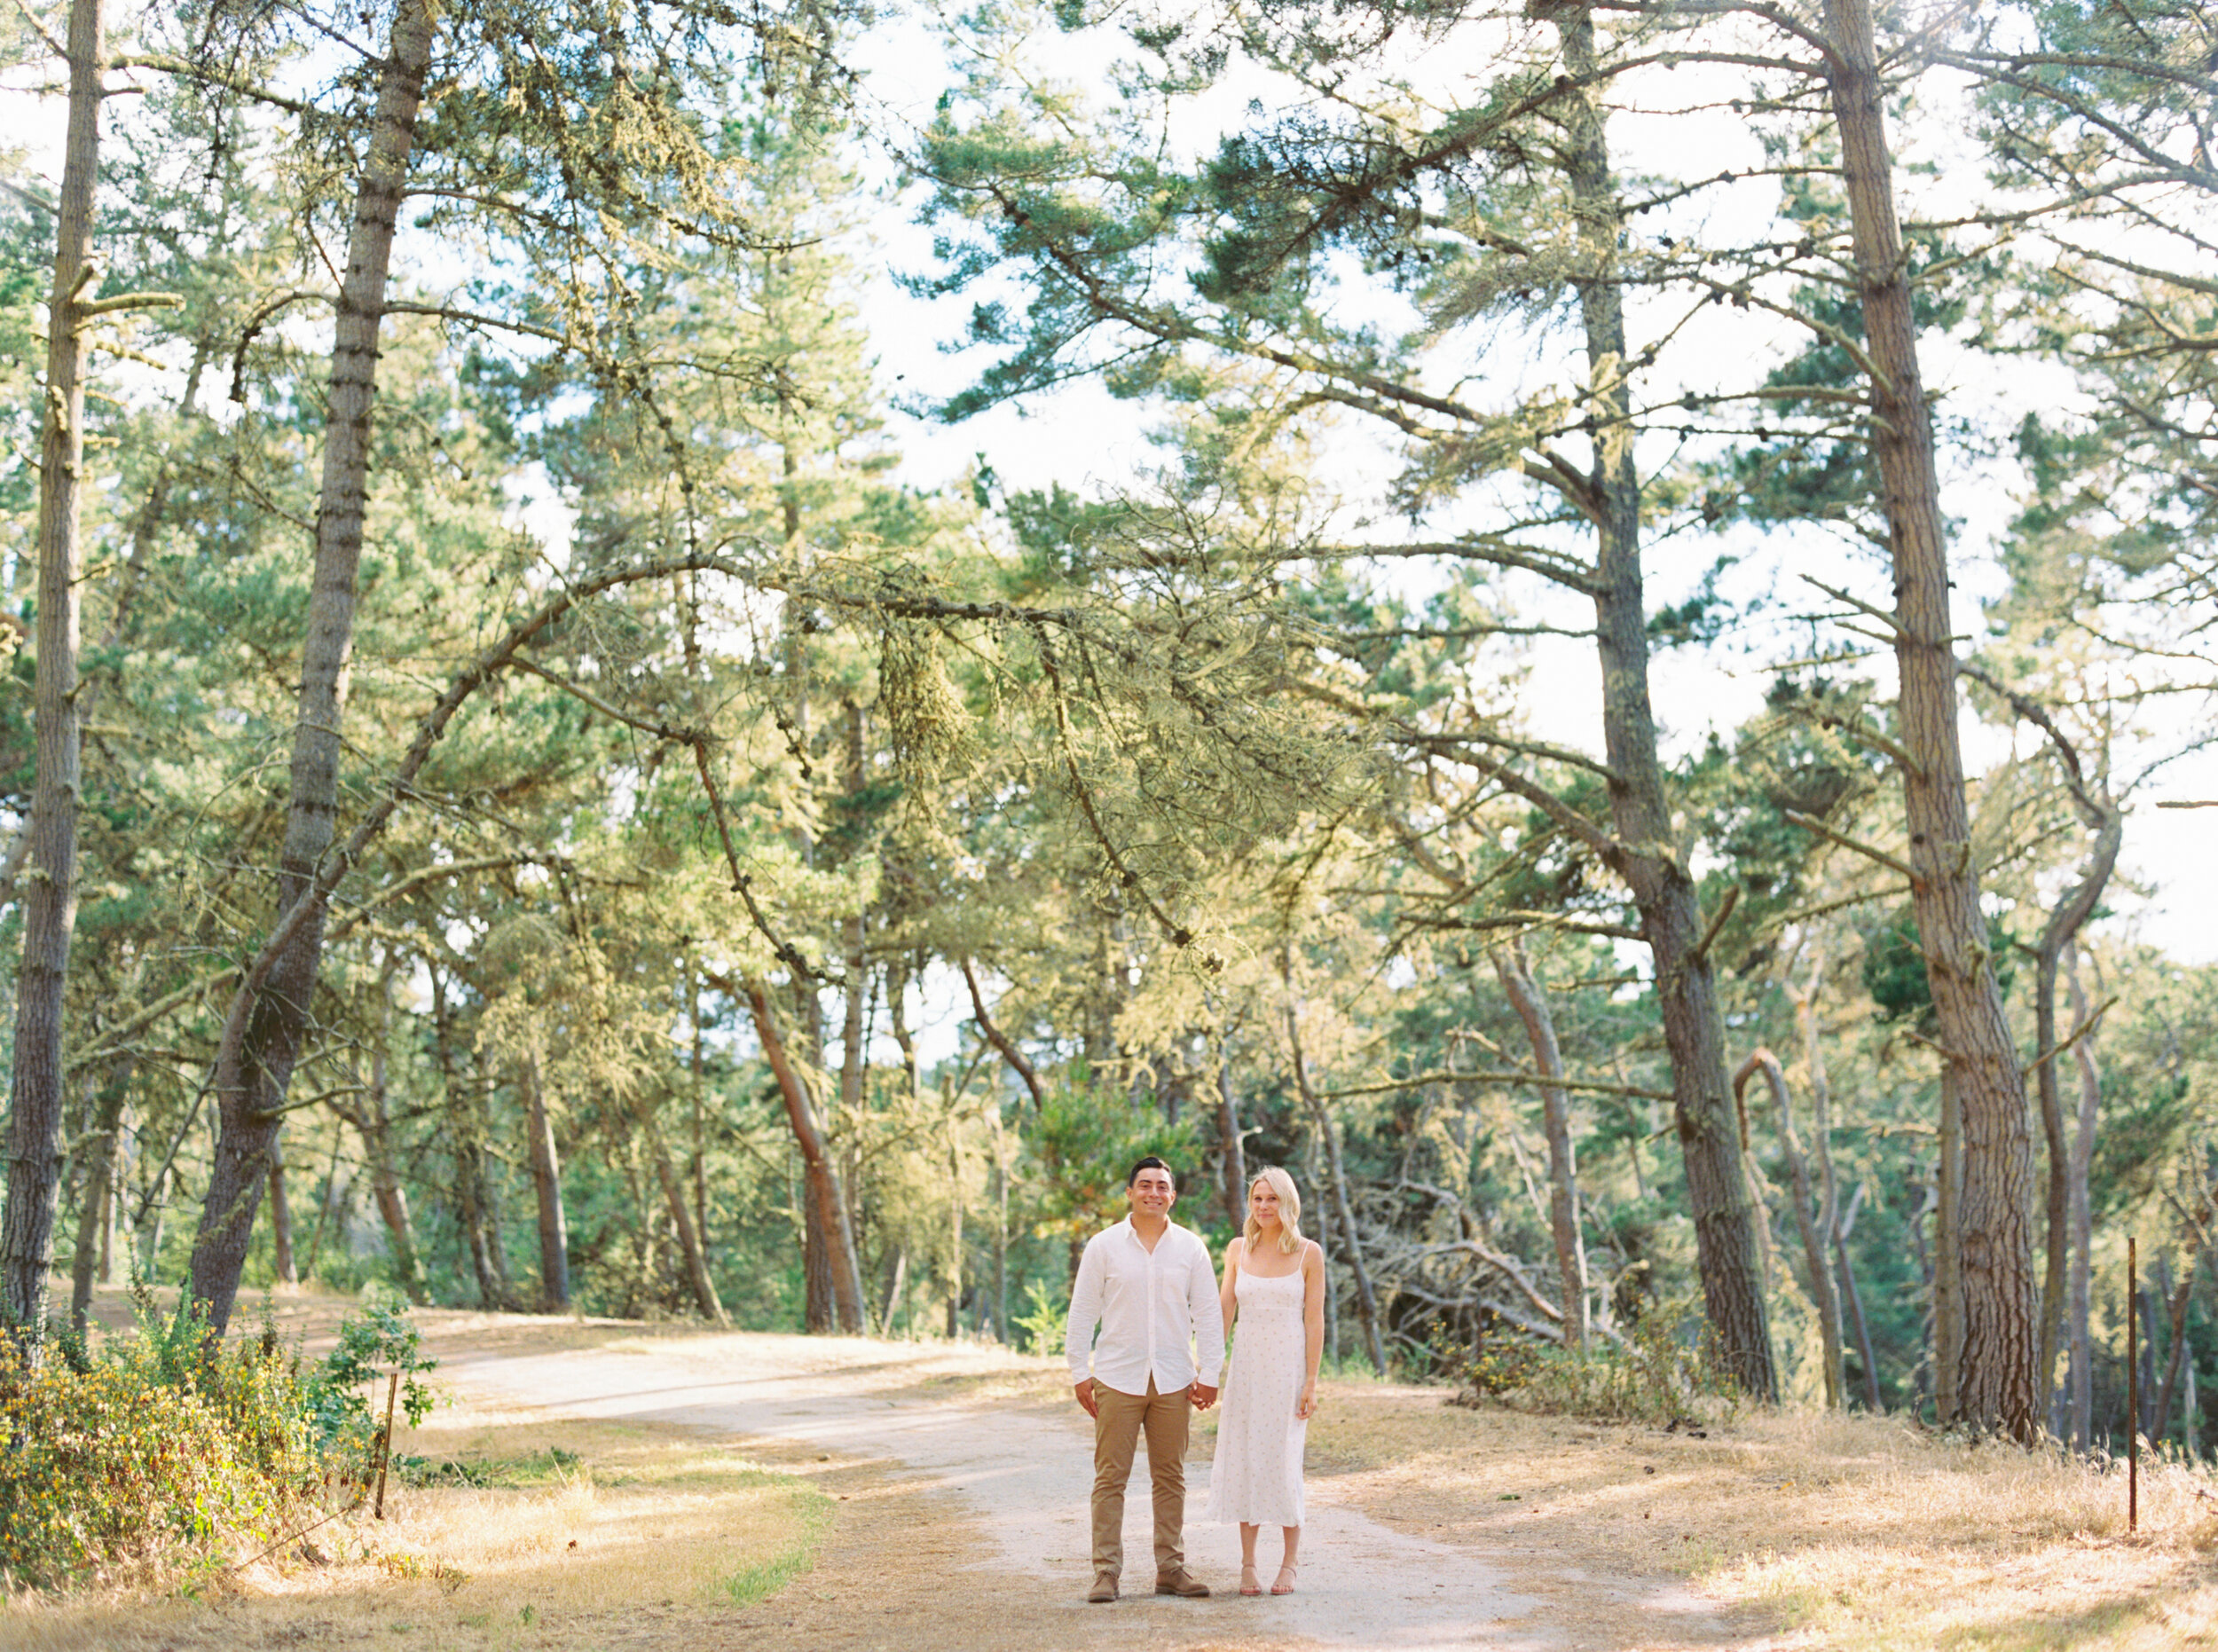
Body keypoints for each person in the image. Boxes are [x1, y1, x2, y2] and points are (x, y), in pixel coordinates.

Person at [1065, 1154, 1226, 1604]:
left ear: (1172, 1196)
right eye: (1145, 1184)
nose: (1153, 1192)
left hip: (1175, 1379)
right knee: (1110, 1478)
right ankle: (1106, 1573)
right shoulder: (1103, 1246)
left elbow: (1208, 1315)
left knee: (1170, 1477)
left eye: (1162, 1186)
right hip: (1117, 1377)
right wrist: (1080, 1372)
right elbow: (1082, 1314)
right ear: (1131, 1192)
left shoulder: (1191, 1248)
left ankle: (1170, 1569)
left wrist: (1210, 1372)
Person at [1205, 1166, 1325, 1597]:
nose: (1263, 1206)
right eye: (1257, 1199)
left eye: (1272, 1198)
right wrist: (1208, 1368)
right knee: (1246, 1460)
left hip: (1288, 1369)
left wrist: (1311, 1380)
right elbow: (1224, 1310)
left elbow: (1314, 1319)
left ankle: (1290, 1564)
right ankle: (1248, 1564)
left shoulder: (1309, 1253)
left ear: (1287, 1202)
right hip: (1247, 1368)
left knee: (1283, 1459)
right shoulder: (1238, 1249)